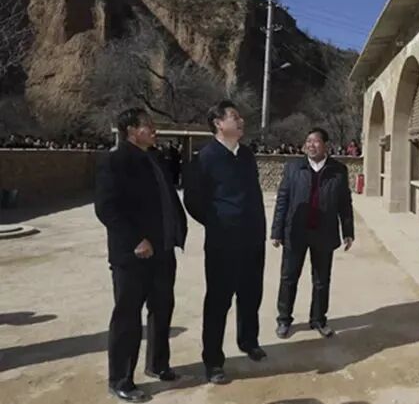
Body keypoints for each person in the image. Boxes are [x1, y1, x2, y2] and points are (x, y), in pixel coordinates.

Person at [94, 108, 187, 403]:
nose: (154, 129)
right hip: (133, 255)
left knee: (162, 308)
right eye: (148, 125)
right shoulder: (116, 161)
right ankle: (121, 379)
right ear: (132, 130)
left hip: (163, 250)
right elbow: (106, 207)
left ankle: (157, 364)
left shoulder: (155, 158)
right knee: (128, 316)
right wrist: (135, 239)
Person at [184, 100, 267, 385]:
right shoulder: (205, 158)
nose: (241, 120)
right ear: (218, 123)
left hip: (252, 239)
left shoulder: (246, 155)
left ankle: (249, 341)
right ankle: (213, 361)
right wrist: (218, 222)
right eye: (234, 116)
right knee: (219, 301)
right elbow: (193, 200)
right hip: (223, 242)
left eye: (240, 116)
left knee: (251, 295)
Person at [271, 127, 354, 339]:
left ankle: (318, 319)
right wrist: (277, 230)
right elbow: (283, 200)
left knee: (321, 280)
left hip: (324, 233)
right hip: (295, 232)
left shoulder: (338, 170)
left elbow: (345, 203)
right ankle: (284, 319)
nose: (311, 145)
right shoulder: (294, 168)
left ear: (326, 145)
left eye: (316, 141)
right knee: (289, 277)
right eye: (308, 141)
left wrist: (348, 231)